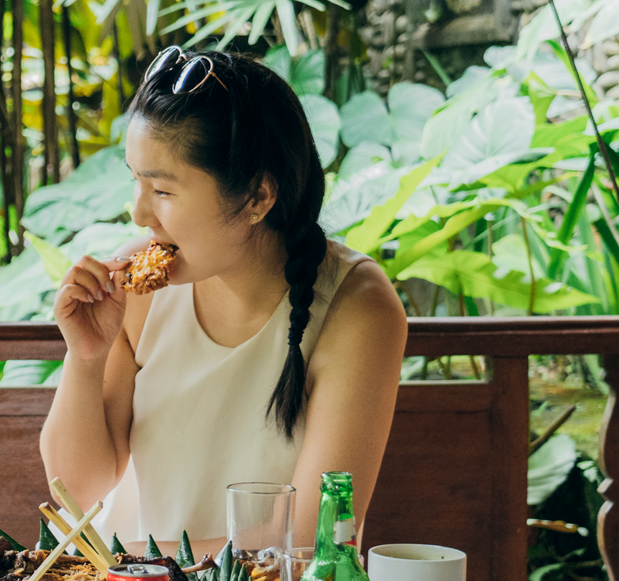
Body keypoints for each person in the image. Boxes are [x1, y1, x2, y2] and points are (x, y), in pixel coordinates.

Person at [40, 48, 408, 548]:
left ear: (258, 197)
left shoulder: (357, 307)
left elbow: (314, 542)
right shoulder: (139, 292)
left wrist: (145, 573)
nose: (138, 213)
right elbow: (79, 493)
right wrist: (85, 358)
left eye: (163, 191)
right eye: (135, 181)